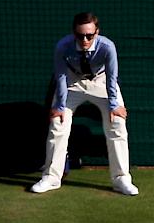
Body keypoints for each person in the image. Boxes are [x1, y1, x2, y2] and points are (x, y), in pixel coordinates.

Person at [31, 12, 138, 195]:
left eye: (90, 35)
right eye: (80, 36)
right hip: (72, 82)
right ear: (74, 33)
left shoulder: (107, 46)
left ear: (97, 32)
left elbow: (113, 78)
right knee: (58, 122)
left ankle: (121, 179)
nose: (85, 40)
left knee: (117, 121)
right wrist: (60, 106)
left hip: (101, 81)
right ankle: (51, 177)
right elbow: (61, 77)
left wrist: (114, 104)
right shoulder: (63, 46)